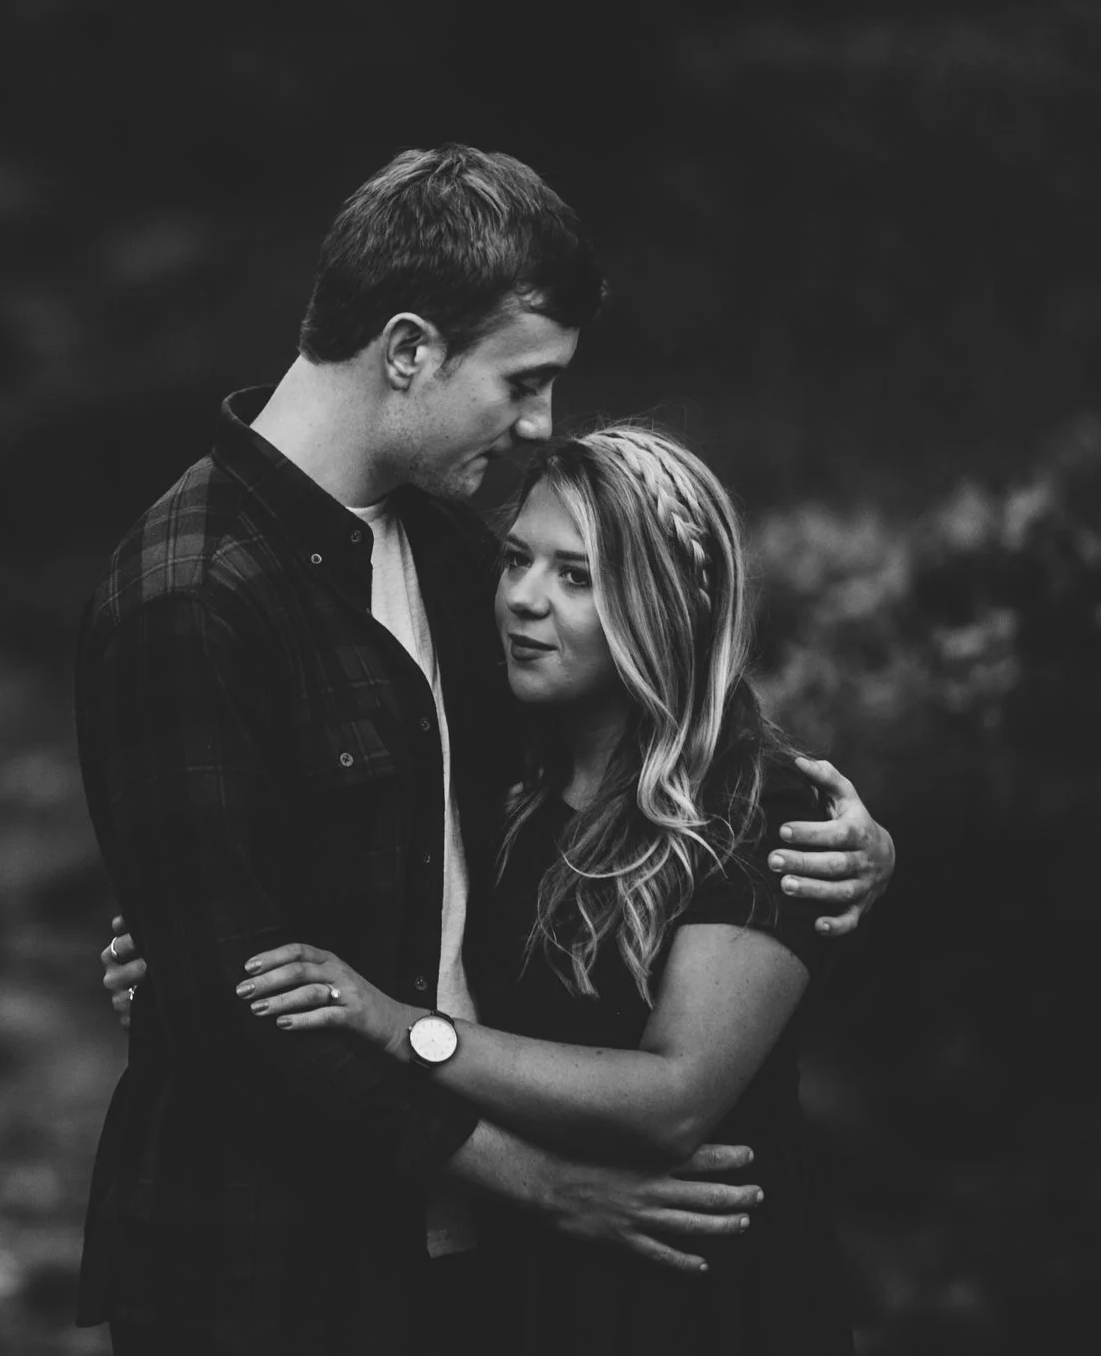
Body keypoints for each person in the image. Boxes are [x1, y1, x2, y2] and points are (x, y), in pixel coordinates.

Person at [75, 146, 893, 1356]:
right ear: (408, 349)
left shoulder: (456, 554)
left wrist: (847, 837)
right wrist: (539, 1180)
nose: (540, 423)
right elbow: (232, 1015)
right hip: (272, 1276)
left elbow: (659, 698)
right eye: (523, 380)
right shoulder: (191, 594)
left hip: (473, 1277)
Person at [235, 426, 855, 1352]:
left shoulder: (760, 808)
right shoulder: (508, 786)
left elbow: (674, 1099)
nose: (521, 599)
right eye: (518, 559)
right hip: (529, 1282)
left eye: (576, 576)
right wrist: (186, 950)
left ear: (667, 607)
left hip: (701, 1297)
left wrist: (403, 1028)